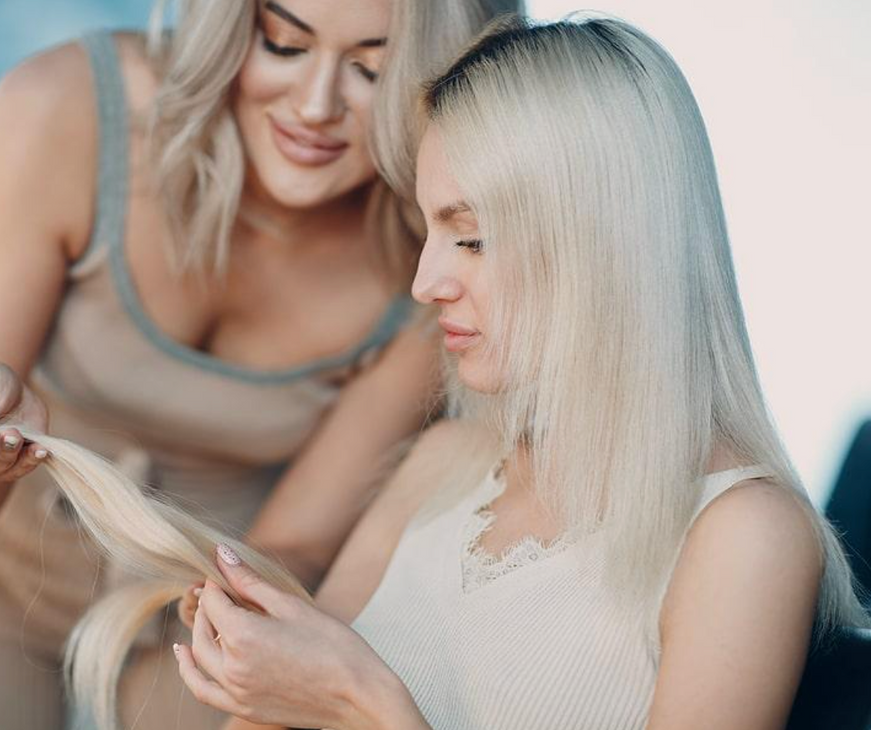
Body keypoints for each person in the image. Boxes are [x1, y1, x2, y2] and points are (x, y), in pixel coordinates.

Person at [172, 15, 871, 729]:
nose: (425, 283)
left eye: (472, 238)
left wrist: (362, 702)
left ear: (604, 244)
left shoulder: (744, 536)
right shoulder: (442, 464)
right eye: (431, 231)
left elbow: (341, 697)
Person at [0, 1, 518, 728]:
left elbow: (295, 547)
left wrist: (219, 622)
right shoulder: (65, 109)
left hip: (214, 598)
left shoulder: (435, 264)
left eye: (373, 69)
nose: (315, 105)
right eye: (283, 43)